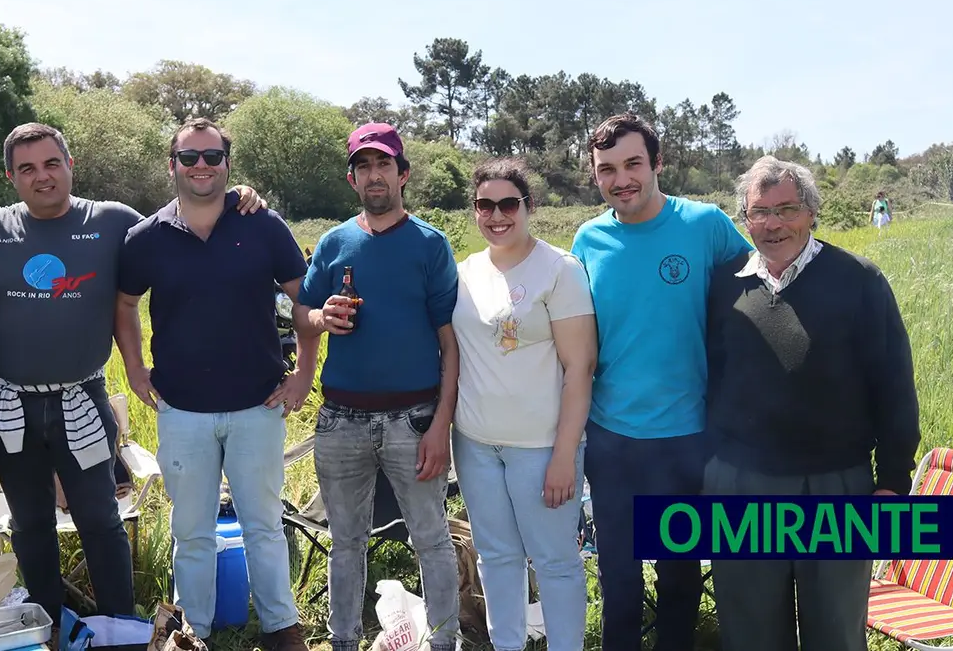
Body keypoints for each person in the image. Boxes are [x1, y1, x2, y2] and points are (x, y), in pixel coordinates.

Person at [0, 122, 268, 635]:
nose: (42, 177)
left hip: (82, 399)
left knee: (101, 521)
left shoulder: (113, 222)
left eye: (52, 163)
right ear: (10, 176)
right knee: (30, 524)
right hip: (7, 406)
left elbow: (178, 223)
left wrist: (233, 195)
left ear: (70, 165)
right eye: (28, 168)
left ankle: (119, 630)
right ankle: (45, 629)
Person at [114, 117, 318, 650]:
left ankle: (282, 627)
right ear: (172, 165)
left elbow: (304, 301)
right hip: (181, 409)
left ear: (228, 163)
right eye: (189, 158)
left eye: (212, 157)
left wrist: (304, 373)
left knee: (264, 525)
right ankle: (192, 632)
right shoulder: (146, 236)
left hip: (258, 403)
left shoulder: (262, 224)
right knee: (192, 531)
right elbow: (125, 304)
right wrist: (134, 370)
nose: (200, 167)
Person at [705, 155, 921, 651]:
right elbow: (706, 377)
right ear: (745, 218)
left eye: (787, 208)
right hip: (741, 486)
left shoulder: (860, 280)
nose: (773, 223)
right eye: (759, 212)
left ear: (812, 212)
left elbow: (894, 386)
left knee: (836, 633)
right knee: (750, 632)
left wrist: (892, 482)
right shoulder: (722, 285)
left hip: (835, 482)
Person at [569, 113, 752, 651]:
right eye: (607, 169)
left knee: (679, 576)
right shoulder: (588, 239)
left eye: (632, 164)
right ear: (595, 176)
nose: (621, 178)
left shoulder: (706, 226)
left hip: (687, 438)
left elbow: (761, 292)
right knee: (619, 580)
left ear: (657, 164)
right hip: (612, 439)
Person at [292, 122, 461, 651]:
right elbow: (302, 314)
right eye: (363, 166)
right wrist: (322, 318)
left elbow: (451, 345)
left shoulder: (430, 245)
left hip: (413, 418)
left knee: (431, 540)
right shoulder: (334, 242)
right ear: (352, 178)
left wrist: (441, 426)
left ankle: (443, 641)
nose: (374, 174)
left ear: (402, 173)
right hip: (341, 418)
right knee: (346, 543)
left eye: (383, 164)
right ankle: (342, 641)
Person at [450, 156, 597, 651]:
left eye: (508, 204)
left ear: (528, 206)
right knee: (495, 557)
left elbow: (580, 369)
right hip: (474, 444)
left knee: (555, 560)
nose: (497, 215)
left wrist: (564, 455)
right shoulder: (465, 272)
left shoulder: (560, 270)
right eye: (485, 205)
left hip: (541, 447)